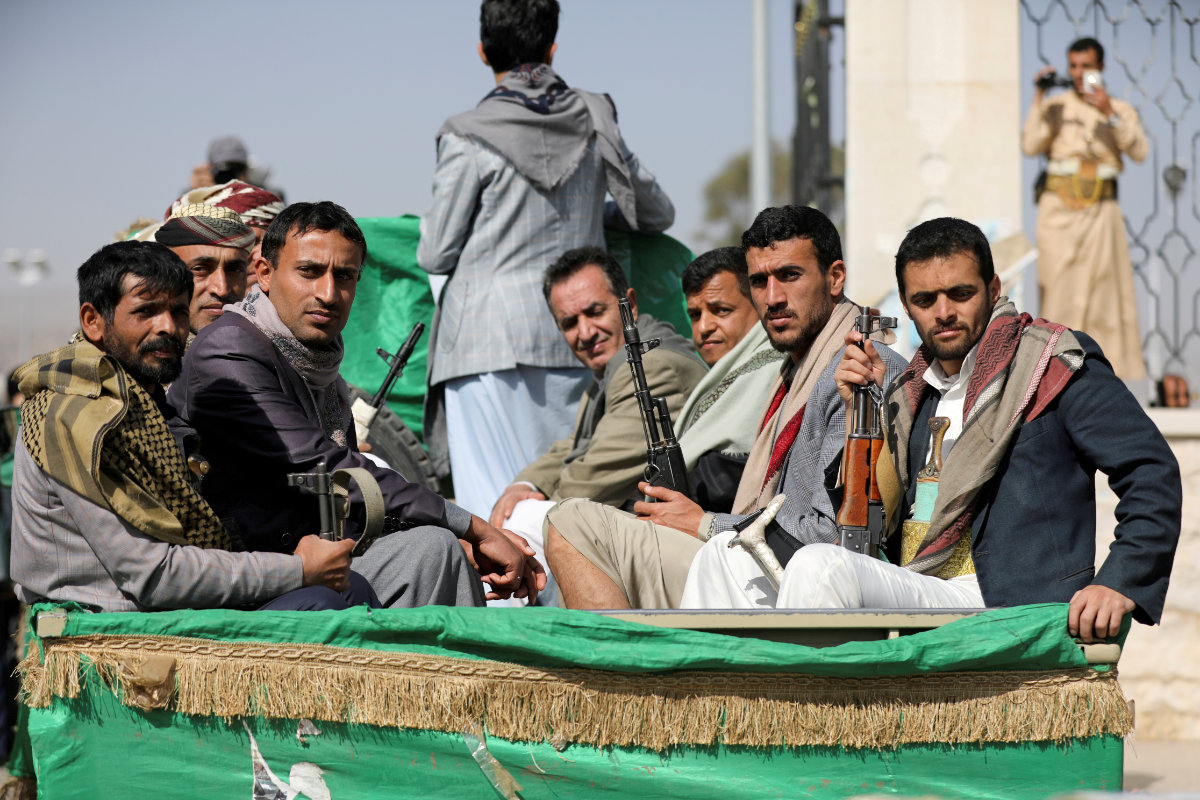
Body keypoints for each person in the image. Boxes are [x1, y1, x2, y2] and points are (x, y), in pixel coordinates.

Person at [783, 217, 1179, 643]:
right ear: (905, 302)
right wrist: (862, 414)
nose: (944, 312)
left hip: (1008, 604)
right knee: (723, 558)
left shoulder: (1050, 363)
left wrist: (1118, 581)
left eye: (960, 293)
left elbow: (1151, 472)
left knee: (817, 566)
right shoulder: (911, 392)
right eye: (925, 299)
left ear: (993, 289)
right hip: (919, 587)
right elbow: (872, 517)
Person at [170, 202, 544, 608]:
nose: (329, 294)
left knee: (436, 550)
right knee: (436, 548)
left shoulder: (317, 362)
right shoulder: (229, 349)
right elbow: (324, 466)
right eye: (309, 272)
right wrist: (474, 527)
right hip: (243, 575)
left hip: (315, 560)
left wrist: (461, 538)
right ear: (263, 272)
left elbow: (347, 500)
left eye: (344, 276)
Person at [545, 206, 904, 610]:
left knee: (571, 522)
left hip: (780, 577)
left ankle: (623, 674)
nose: (773, 298)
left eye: (789, 275)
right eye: (759, 281)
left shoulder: (861, 368)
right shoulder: (794, 369)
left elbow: (833, 538)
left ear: (835, 277)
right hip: (747, 557)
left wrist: (703, 524)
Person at [9, 240, 376, 613]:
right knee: (321, 602)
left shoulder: (143, 405)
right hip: (109, 626)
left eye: (178, 312)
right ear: (93, 321)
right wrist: (299, 570)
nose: (168, 327)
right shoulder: (78, 416)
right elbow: (154, 576)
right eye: (146, 312)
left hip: (166, 608)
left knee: (351, 589)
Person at [418, 0, 675, 519]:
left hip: (483, 348)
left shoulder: (467, 133)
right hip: (576, 341)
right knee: (566, 504)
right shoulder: (594, 119)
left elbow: (436, 251)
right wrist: (587, 205)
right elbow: (655, 212)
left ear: (483, 52)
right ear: (552, 47)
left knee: (495, 516)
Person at [486, 246, 706, 605]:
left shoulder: (649, 367)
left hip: (679, 551)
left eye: (595, 312)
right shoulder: (616, 364)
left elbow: (588, 481)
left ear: (629, 304)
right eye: (570, 323)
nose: (585, 332)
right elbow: (573, 446)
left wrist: (520, 512)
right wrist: (524, 484)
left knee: (525, 525)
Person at [1023, 37, 1149, 380]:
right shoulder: (1056, 106)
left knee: (1105, 303)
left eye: (1086, 66)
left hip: (1102, 216)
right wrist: (1038, 95)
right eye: (1073, 66)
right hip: (1058, 213)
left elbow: (1139, 151)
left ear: (1101, 68)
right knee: (1059, 296)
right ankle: (1054, 375)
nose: (1079, 74)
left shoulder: (1119, 110)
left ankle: (1102, 381)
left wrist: (1108, 112)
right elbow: (1030, 143)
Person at [676, 246, 783, 513]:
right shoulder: (722, 377)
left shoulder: (777, 370)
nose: (703, 327)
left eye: (721, 310)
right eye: (695, 315)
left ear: (759, 304)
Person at [147, 204, 255, 333]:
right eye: (200, 269)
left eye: (235, 270)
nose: (222, 290)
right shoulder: (135, 348)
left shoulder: (267, 348)